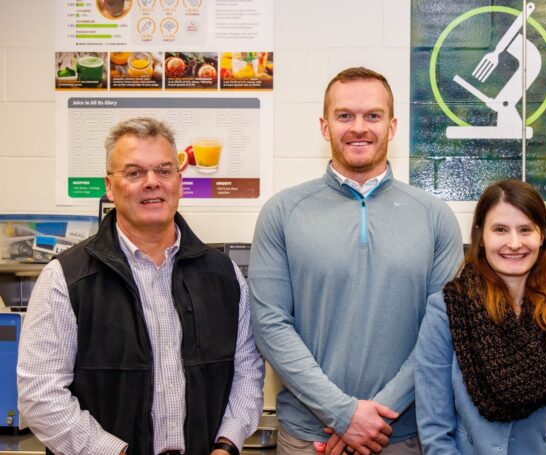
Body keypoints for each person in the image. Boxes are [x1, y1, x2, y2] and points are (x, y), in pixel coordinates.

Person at [17, 117, 265, 455]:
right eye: (134, 173)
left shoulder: (224, 276)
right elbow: (40, 394)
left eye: (164, 170)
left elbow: (247, 370)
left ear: (179, 181)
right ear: (109, 185)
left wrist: (227, 444)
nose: (152, 183)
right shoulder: (66, 278)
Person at [248, 66, 463, 455]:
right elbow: (270, 325)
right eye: (344, 115)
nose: (358, 127)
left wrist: (373, 419)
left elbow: (442, 331)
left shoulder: (434, 217)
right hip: (309, 439)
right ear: (324, 125)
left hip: (404, 437)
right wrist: (343, 414)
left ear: (392, 126)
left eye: (373, 116)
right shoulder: (282, 212)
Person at [415, 179, 546, 455]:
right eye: (500, 229)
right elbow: (436, 429)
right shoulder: (448, 310)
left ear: (542, 236)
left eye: (525, 230)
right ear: (481, 236)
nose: (514, 243)